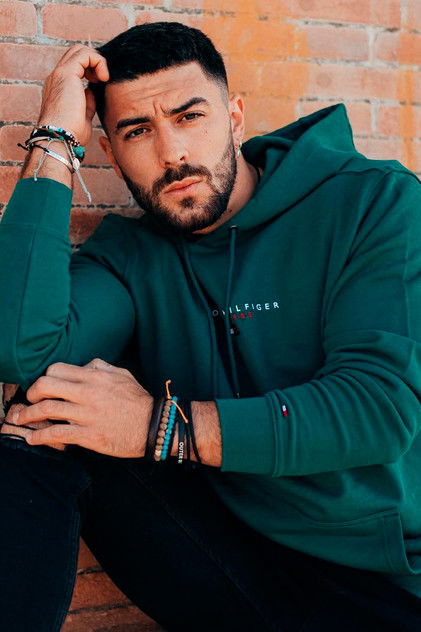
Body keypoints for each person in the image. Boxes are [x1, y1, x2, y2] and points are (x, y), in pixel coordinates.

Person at [0, 21, 420, 632]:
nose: (172, 153)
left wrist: (160, 426)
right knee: (42, 413)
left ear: (235, 118)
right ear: (111, 153)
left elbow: (377, 411)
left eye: (190, 116)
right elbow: (20, 349)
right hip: (240, 559)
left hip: (385, 584)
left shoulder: (373, 202)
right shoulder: (131, 256)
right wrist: (57, 137)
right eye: (137, 131)